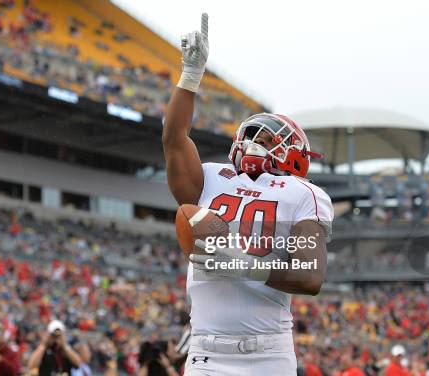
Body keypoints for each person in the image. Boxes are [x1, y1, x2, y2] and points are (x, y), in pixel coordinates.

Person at [162, 13, 333, 376]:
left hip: (267, 353)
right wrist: (190, 77)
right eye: (250, 135)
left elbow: (310, 277)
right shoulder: (212, 177)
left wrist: (242, 264)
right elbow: (174, 139)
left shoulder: (304, 193)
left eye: (267, 139)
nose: (254, 143)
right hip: (206, 351)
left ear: (294, 152)